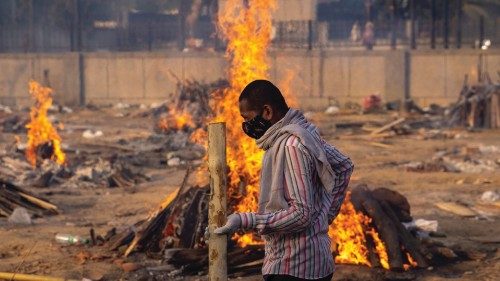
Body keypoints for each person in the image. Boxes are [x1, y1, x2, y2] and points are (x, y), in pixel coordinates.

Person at [214, 80, 354, 281]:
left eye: (248, 118)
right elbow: (343, 166)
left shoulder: (291, 145)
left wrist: (246, 220)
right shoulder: (303, 132)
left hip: (294, 267)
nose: (246, 126)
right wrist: (325, 214)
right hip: (314, 263)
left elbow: (302, 214)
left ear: (267, 112)